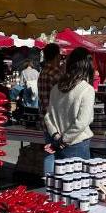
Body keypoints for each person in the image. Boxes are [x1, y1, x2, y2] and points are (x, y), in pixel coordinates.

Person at [44, 47, 95, 160]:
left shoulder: (56, 88)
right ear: (87, 66)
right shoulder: (87, 89)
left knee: (59, 176)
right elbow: (82, 122)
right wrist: (63, 139)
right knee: (78, 177)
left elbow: (48, 117)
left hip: (58, 141)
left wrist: (56, 136)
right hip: (77, 144)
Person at [38, 43, 63, 175]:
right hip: (57, 121)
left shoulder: (42, 73)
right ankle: (56, 184)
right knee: (59, 153)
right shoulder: (55, 72)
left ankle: (48, 183)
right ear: (56, 56)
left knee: (49, 152)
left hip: (45, 118)